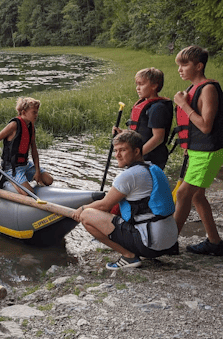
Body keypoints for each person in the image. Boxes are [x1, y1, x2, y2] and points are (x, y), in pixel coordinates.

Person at [72, 130, 178, 269]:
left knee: (87, 215)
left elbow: (104, 206)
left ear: (136, 151)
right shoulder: (153, 168)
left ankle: (129, 257)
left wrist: (82, 208)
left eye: (123, 150)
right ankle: (136, 248)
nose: (117, 155)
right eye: (116, 150)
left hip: (151, 245)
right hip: (170, 241)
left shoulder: (129, 175)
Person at [172, 45, 223, 256]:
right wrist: (188, 147)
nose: (180, 69)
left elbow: (205, 126)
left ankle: (166, 242)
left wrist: (184, 105)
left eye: (185, 64)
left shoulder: (208, 89)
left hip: (208, 152)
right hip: (197, 151)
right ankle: (215, 242)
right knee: (197, 196)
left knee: (184, 194)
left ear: (199, 66)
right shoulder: (193, 89)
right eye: (179, 65)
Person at [0, 97, 53, 196]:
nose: (36, 115)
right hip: (12, 168)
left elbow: (34, 150)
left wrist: (37, 171)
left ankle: (24, 182)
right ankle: (9, 179)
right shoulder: (14, 125)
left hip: (26, 165)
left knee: (49, 180)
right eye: (34, 112)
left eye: (37, 112)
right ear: (23, 112)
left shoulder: (30, 127)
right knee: (28, 194)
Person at [113, 68, 173, 170]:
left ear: (154, 85)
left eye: (141, 84)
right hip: (141, 157)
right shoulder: (145, 105)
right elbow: (141, 131)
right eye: (137, 84)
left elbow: (158, 138)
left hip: (151, 158)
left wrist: (137, 155)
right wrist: (122, 132)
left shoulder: (157, 108)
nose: (138, 88)